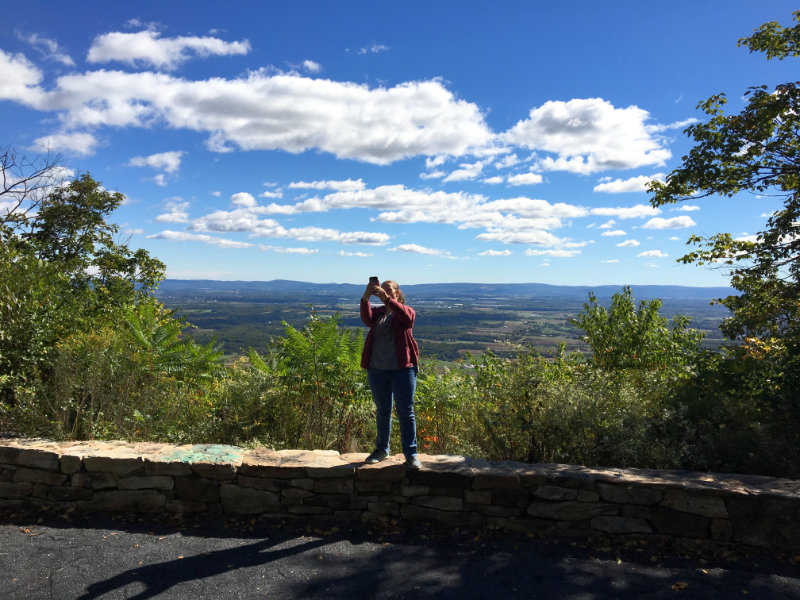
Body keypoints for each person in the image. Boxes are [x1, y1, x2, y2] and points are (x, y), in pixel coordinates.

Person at [360, 279, 421, 469]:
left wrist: (386, 299)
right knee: (383, 411)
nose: (384, 293)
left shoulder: (405, 311)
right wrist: (366, 295)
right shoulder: (378, 314)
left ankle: (411, 454)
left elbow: (408, 319)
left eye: (388, 291)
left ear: (396, 293)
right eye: (381, 290)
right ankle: (381, 450)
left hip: (403, 370)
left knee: (406, 412)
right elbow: (366, 319)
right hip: (377, 370)